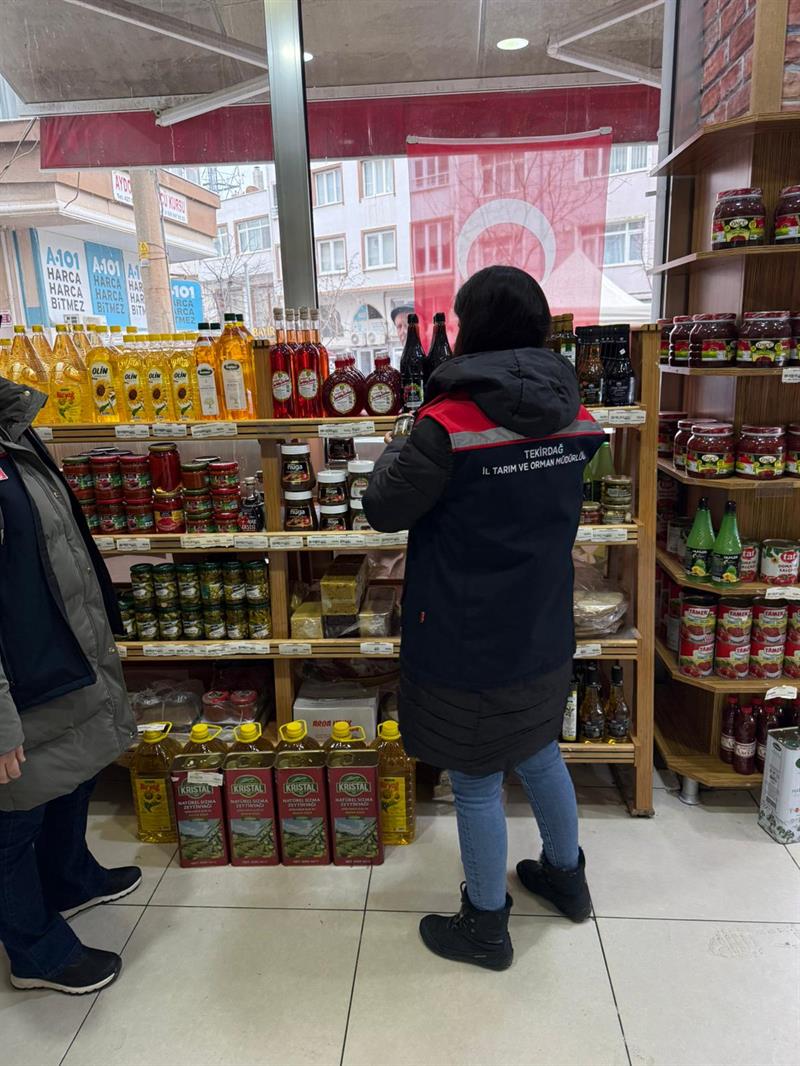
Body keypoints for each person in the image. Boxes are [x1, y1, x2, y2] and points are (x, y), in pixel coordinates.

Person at [363, 266, 605, 971]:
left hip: (467, 632)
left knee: (473, 777)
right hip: (543, 622)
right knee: (540, 750)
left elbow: (384, 508)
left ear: (474, 328)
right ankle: (566, 878)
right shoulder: (575, 413)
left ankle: (486, 926)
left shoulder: (446, 422)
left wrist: (399, 442)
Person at [0, 375, 139, 995]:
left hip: (57, 657)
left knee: (72, 774)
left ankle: (68, 879)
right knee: (13, 820)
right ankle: (34, 952)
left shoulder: (12, 423)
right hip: (18, 680)